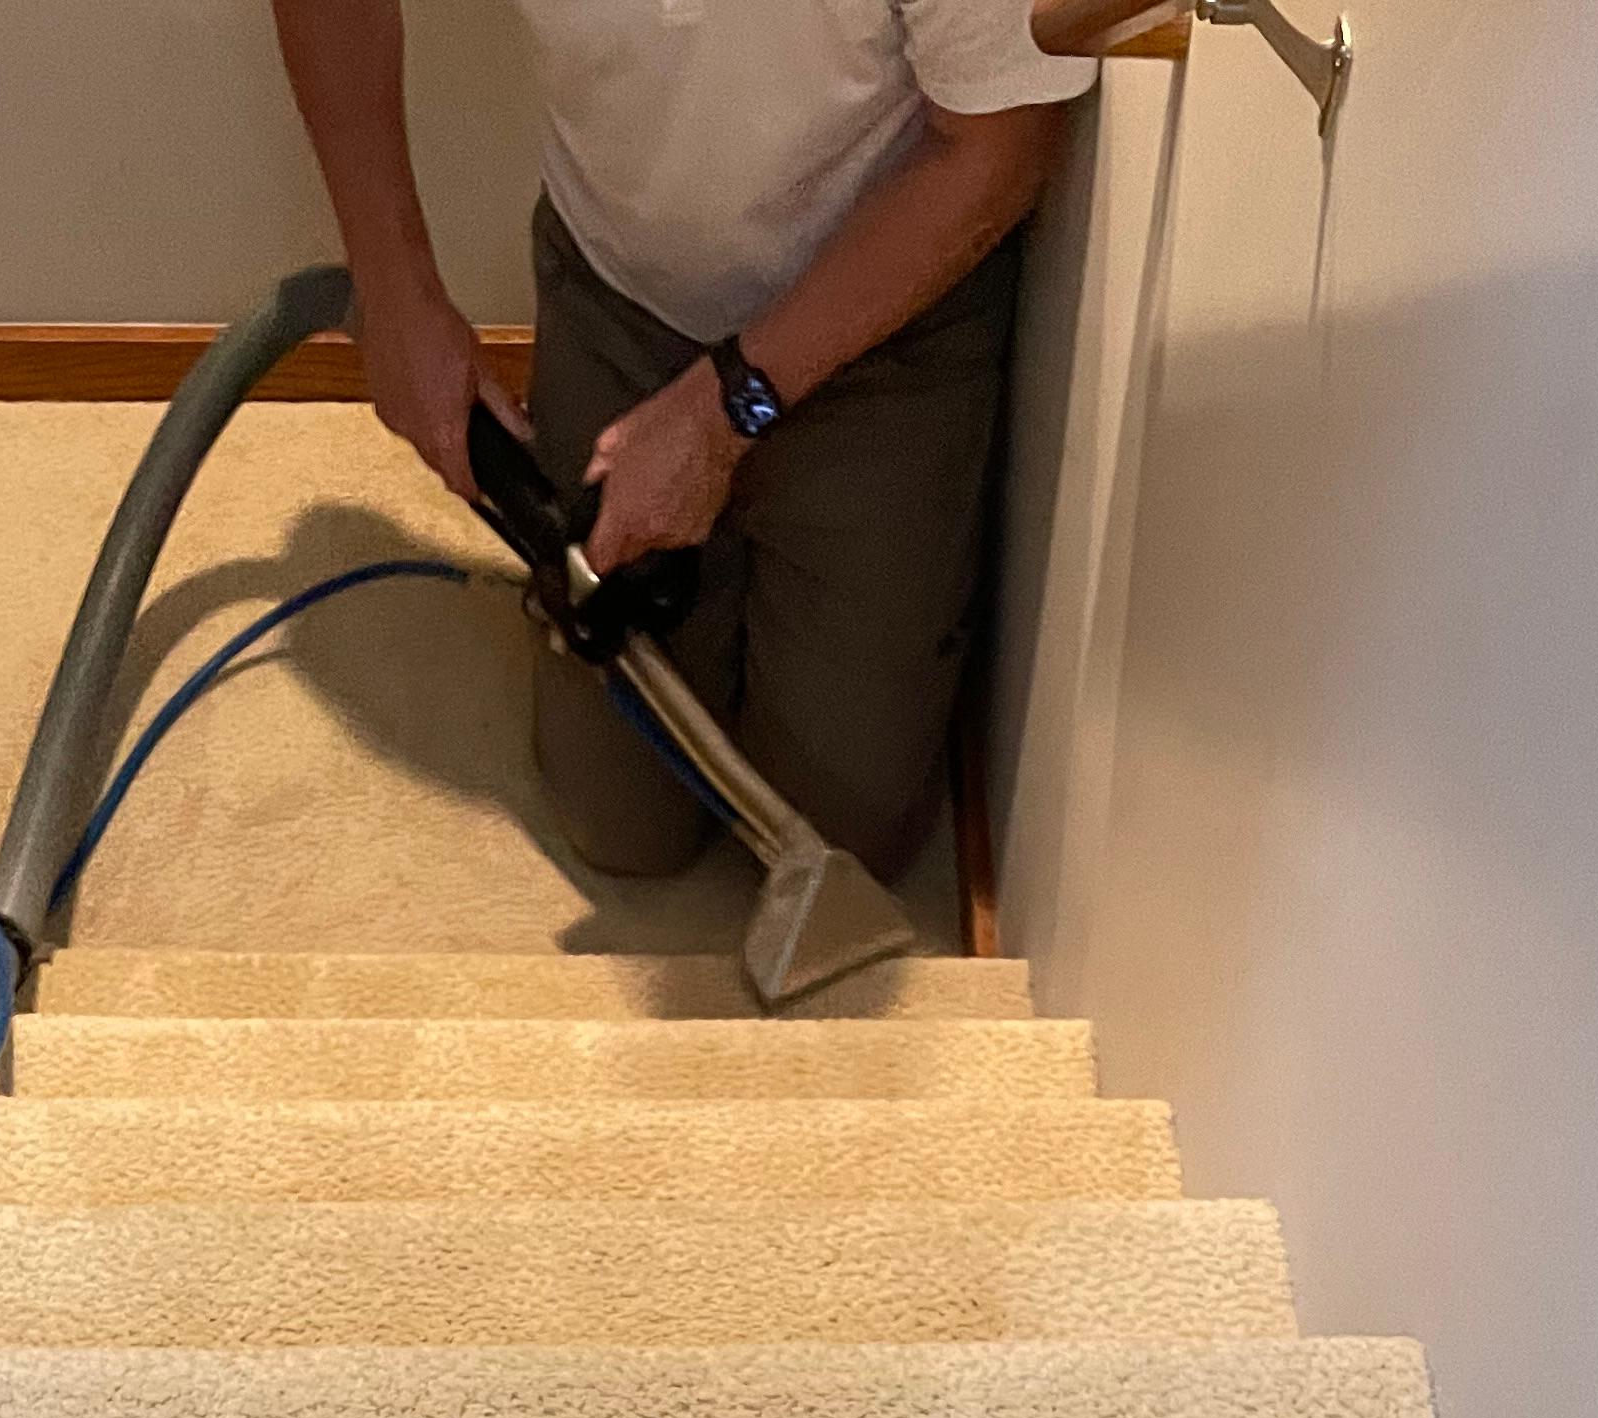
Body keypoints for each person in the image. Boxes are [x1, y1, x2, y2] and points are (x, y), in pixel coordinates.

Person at [267, 0, 1099, 882]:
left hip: (881, 329)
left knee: (843, 843)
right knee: (620, 827)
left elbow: (999, 151)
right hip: (624, 297)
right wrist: (393, 288)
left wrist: (722, 415)